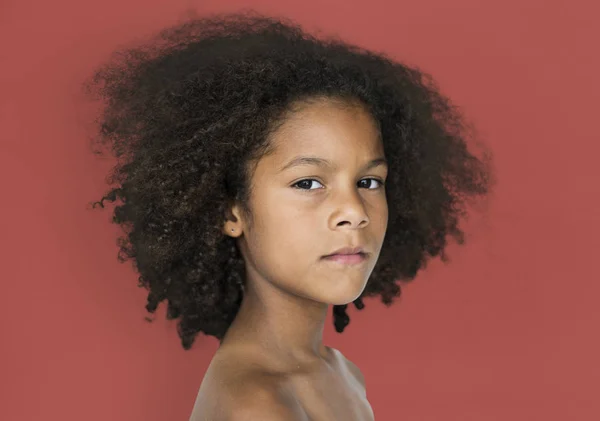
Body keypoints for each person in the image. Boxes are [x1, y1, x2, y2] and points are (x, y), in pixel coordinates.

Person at [85, 11, 493, 420]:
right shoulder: (257, 405)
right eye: (308, 183)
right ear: (230, 209)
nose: (353, 212)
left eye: (369, 182)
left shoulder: (339, 374)